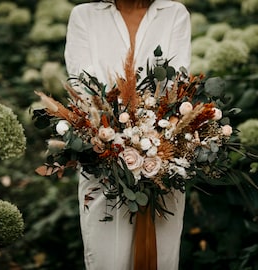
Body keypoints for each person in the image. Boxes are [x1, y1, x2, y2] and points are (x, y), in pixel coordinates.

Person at [64, 0, 191, 269]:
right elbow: (81, 84)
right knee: (107, 257)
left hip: (162, 160)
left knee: (163, 257)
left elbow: (178, 84)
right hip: (102, 158)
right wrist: (115, 133)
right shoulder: (84, 16)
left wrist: (148, 135)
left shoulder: (174, 13)